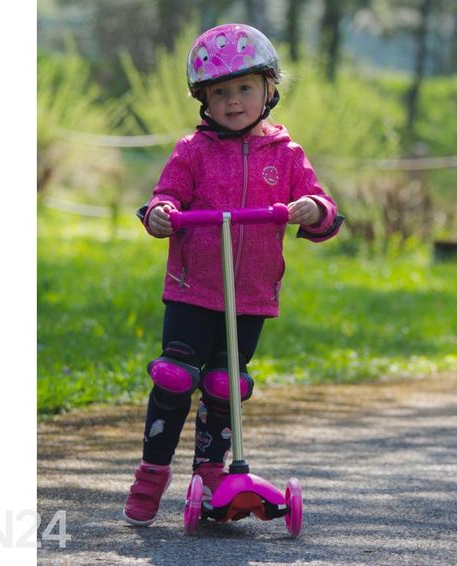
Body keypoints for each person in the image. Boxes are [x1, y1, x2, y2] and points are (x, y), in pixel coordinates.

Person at [123, 23, 344, 527]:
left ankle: (211, 474)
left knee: (226, 385)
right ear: (203, 100)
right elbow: (166, 196)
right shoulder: (192, 150)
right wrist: (159, 213)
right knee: (176, 377)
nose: (234, 101)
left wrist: (312, 210)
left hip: (249, 295)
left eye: (245, 88)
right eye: (220, 92)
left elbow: (324, 208)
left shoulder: (286, 154)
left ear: (269, 90)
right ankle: (152, 473)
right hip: (193, 289)